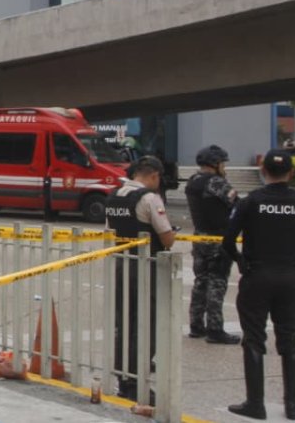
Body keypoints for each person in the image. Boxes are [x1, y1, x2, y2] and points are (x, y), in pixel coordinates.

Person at [222, 149, 295, 420]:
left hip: (257, 277)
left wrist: (242, 262)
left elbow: (228, 241)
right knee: (289, 340)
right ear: (291, 173)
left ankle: (256, 404)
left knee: (254, 339)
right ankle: (293, 405)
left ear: (263, 172)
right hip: (290, 278)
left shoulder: (250, 202)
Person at [105, 156, 176, 403]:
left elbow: (110, 231)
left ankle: (124, 376)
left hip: (121, 265)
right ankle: (136, 382)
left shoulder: (114, 196)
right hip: (146, 268)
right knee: (146, 325)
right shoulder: (149, 198)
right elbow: (167, 238)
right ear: (154, 175)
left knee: (123, 323)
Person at [185, 145, 241, 345]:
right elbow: (237, 204)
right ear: (215, 163)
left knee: (200, 281)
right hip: (217, 239)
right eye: (223, 162)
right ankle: (215, 329)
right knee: (217, 282)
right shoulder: (216, 183)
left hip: (199, 237)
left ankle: (196, 325)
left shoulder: (193, 181)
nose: (224, 166)